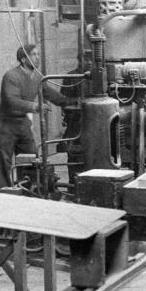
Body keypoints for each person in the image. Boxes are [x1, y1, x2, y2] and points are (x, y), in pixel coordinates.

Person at [0, 44, 77, 189]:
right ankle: (3, 193)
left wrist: (73, 102)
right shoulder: (11, 76)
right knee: (3, 162)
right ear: (24, 59)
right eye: (34, 54)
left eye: (38, 54)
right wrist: (35, 107)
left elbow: (52, 95)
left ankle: (26, 188)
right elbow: (11, 101)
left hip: (22, 124)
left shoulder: (37, 77)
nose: (38, 57)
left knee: (30, 156)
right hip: (6, 124)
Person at [60, 50, 92, 189]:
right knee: (74, 154)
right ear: (79, 60)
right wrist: (76, 103)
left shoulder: (97, 76)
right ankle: (73, 186)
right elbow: (63, 100)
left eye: (92, 60)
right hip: (75, 123)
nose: (89, 62)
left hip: (93, 122)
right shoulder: (71, 76)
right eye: (86, 59)